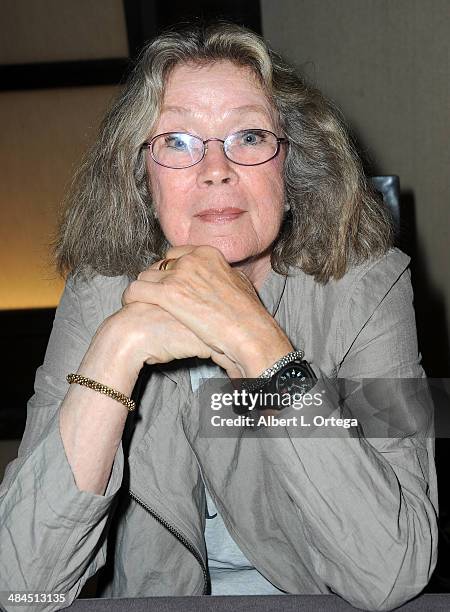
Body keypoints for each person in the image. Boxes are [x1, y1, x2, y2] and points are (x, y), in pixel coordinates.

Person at [0, 21, 437, 612]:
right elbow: (21, 586)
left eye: (249, 135)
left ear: (291, 167)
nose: (215, 169)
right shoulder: (100, 293)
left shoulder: (366, 289)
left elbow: (390, 571)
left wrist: (260, 345)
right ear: (140, 178)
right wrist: (119, 346)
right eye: (178, 141)